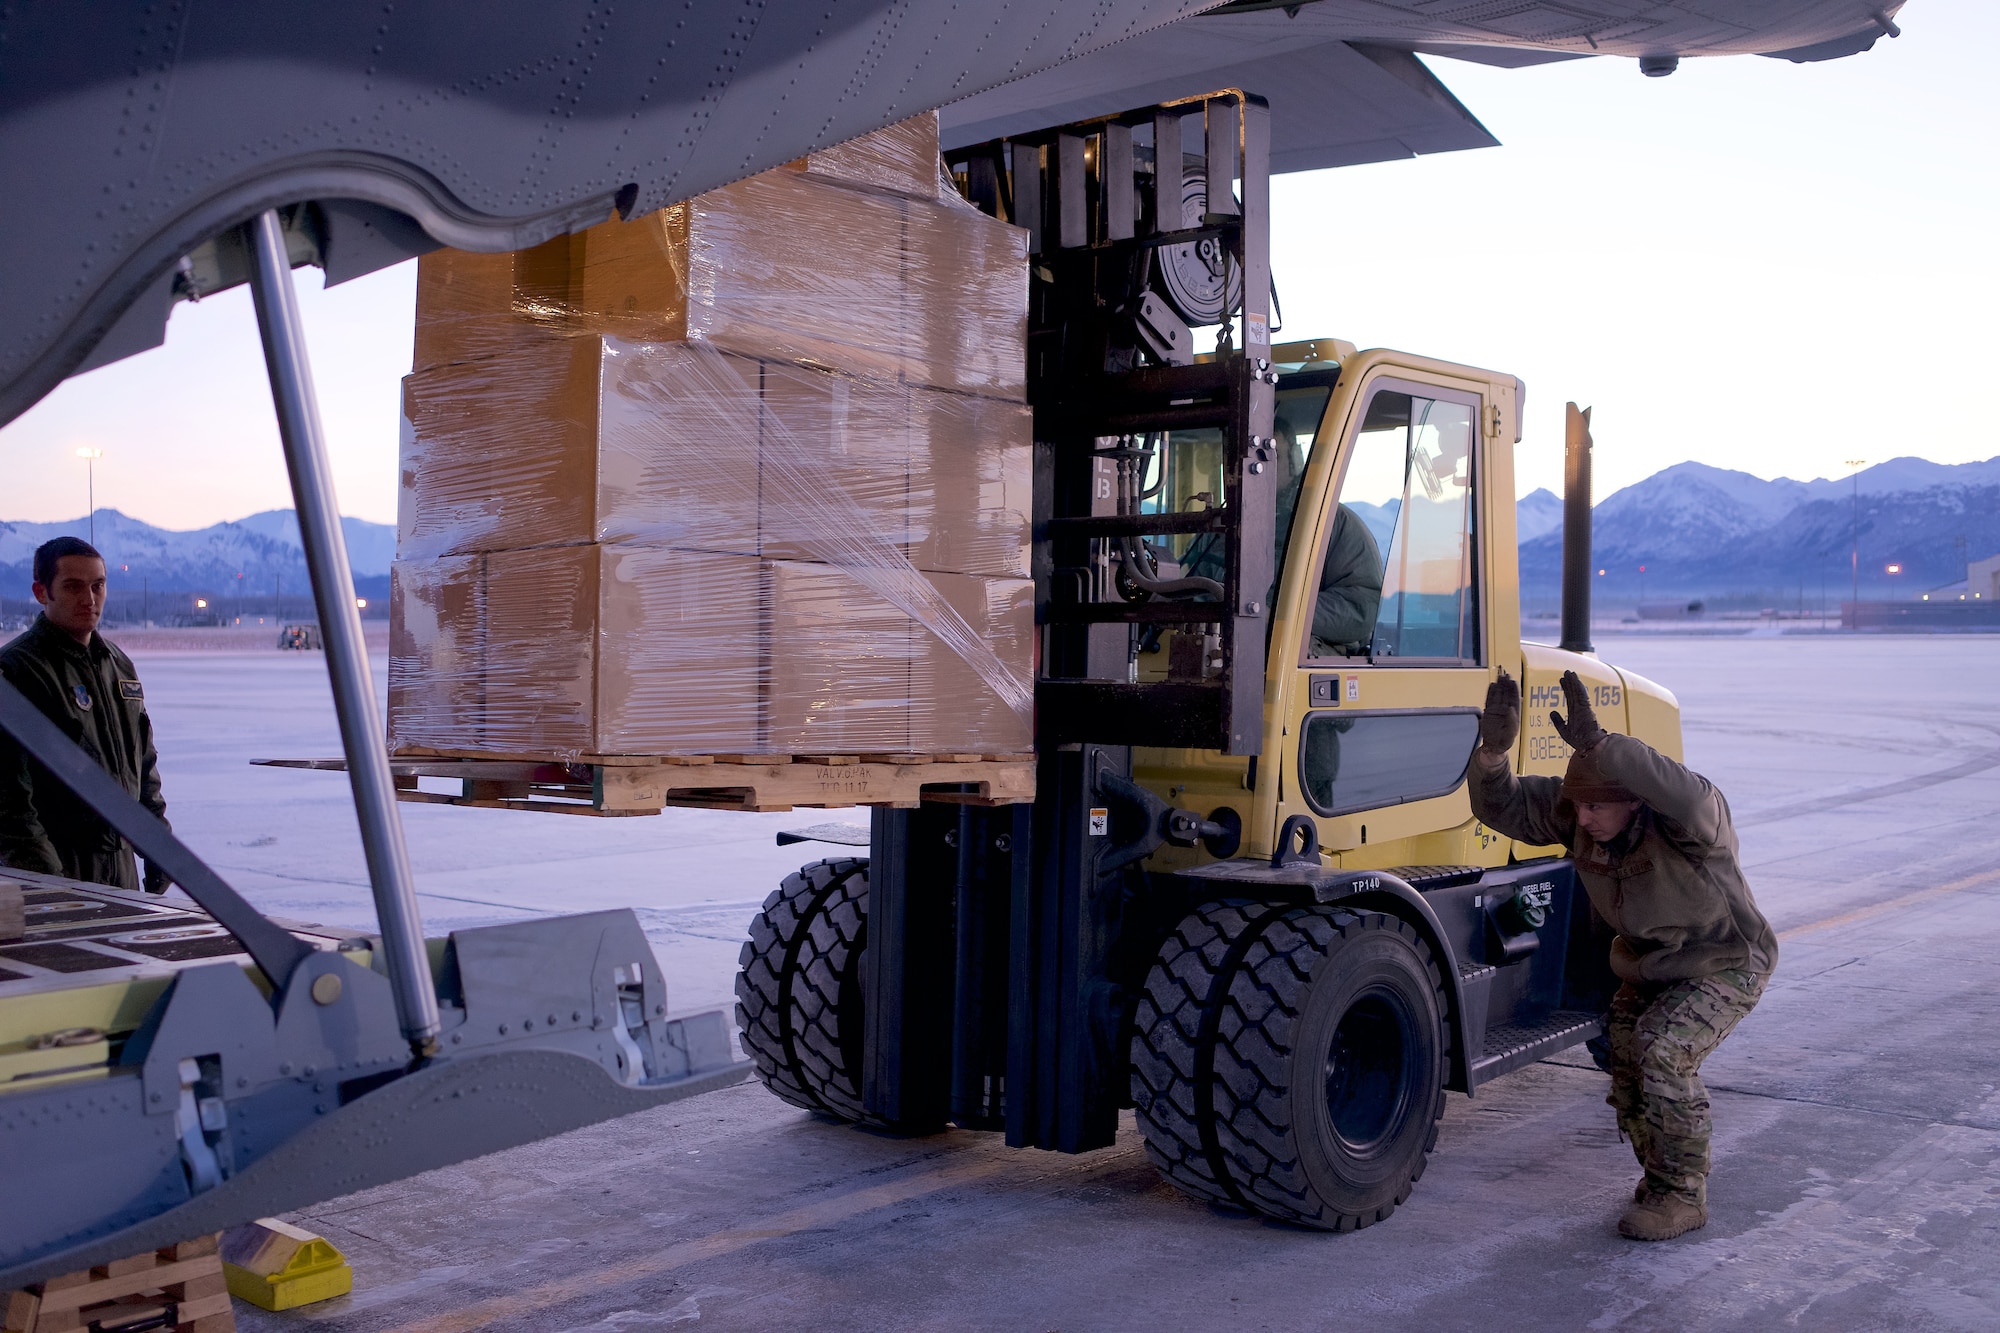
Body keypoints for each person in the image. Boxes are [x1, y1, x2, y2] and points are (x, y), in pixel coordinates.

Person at [1468, 668, 1776, 1241]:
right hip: (1649, 966)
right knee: (1627, 1068)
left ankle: (1682, 1195)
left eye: (1596, 808)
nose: (1582, 819)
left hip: (1724, 962)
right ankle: (1659, 1179)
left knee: (1663, 1055)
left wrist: (1603, 747)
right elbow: (1504, 807)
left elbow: (1690, 791)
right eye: (1577, 807)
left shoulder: (1688, 825)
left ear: (1633, 802)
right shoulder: (1581, 815)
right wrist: (1491, 753)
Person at [0, 537, 172, 893]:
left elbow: (142, 764)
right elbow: (8, 798)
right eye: (73, 587)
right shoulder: (18, 671)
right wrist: (47, 882)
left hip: (119, 867)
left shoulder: (118, 665)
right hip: (58, 867)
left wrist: (160, 848)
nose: (89, 599)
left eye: (98, 586)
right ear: (41, 591)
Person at [1310, 503, 1383, 656]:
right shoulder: (1256, 513)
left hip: (1319, 653)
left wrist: (1274, 613)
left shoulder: (1330, 519)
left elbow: (1359, 611)